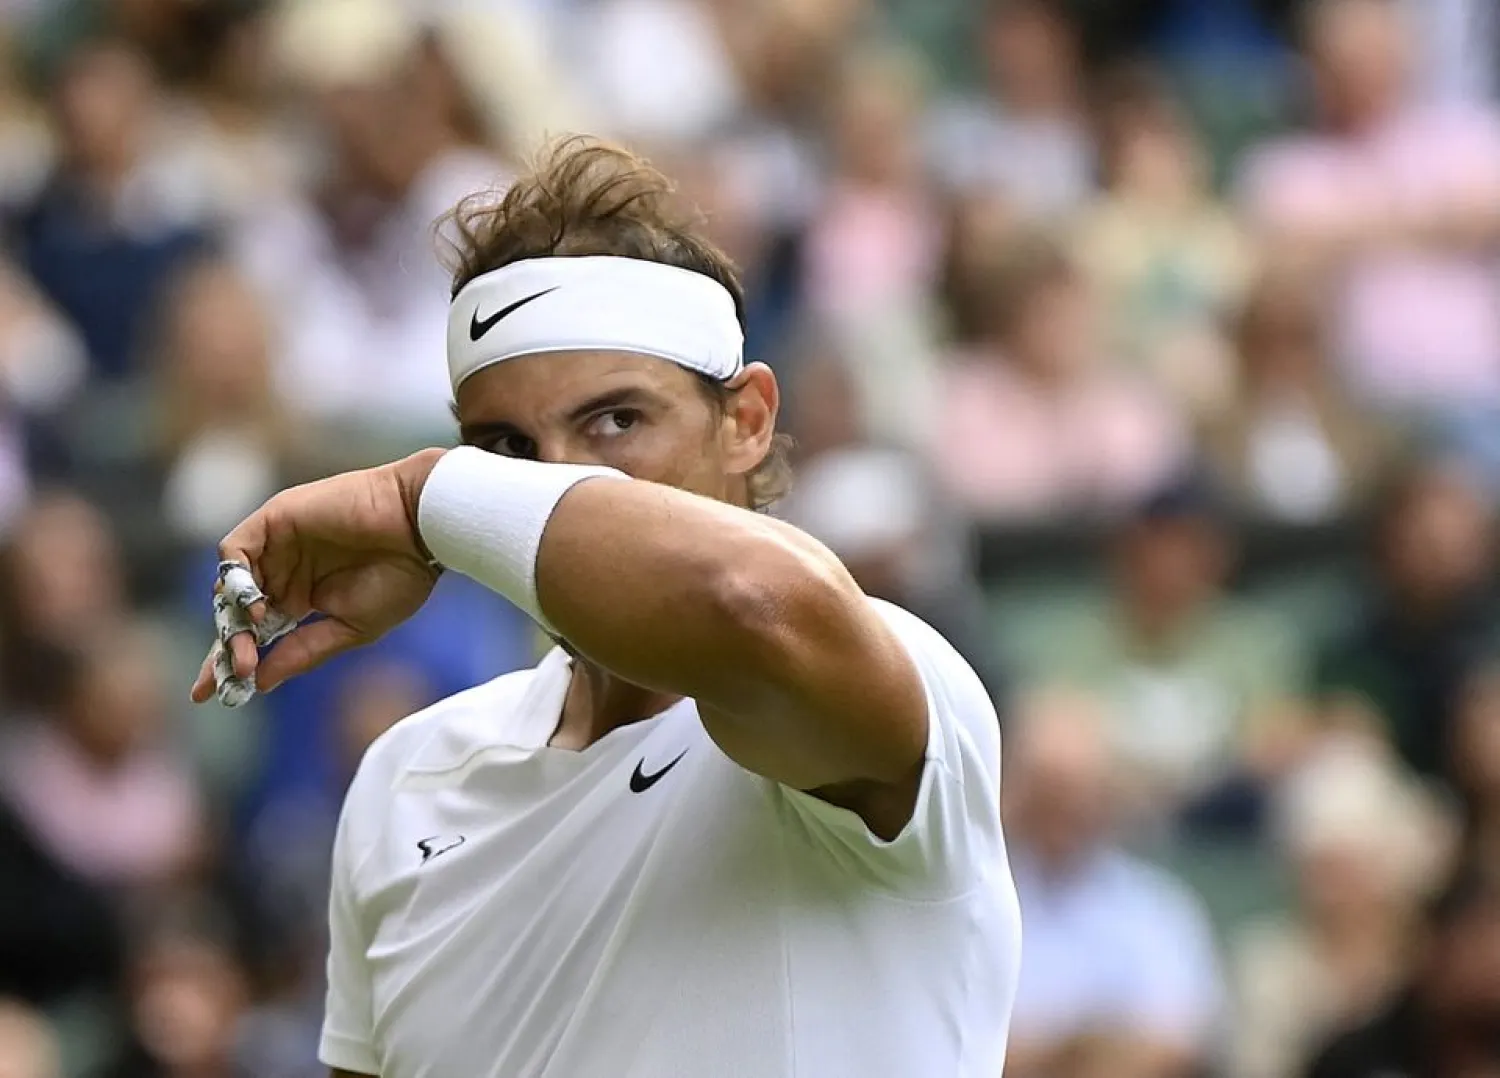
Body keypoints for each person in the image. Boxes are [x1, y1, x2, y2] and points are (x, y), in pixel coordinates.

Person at [189, 137, 1021, 1078]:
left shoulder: (885, 677)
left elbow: (748, 604)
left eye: (616, 420)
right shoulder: (405, 776)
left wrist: (420, 500)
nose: (558, 483)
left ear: (745, 420)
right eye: (504, 448)